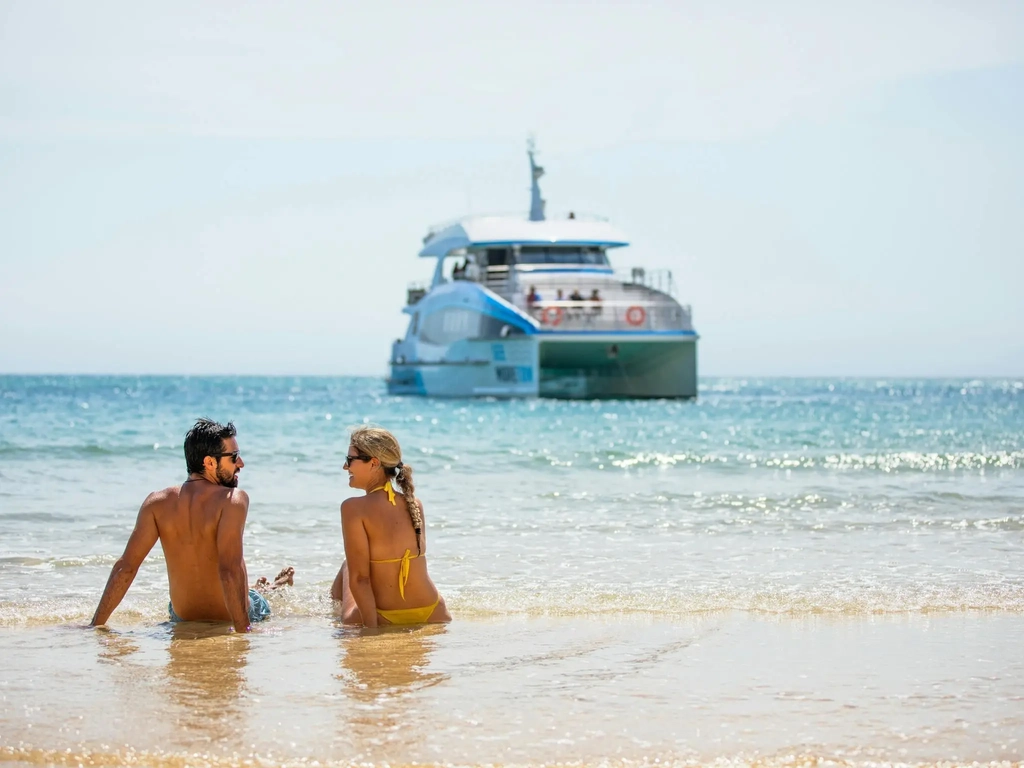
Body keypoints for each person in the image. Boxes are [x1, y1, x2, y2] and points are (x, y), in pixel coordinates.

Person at [89, 418, 293, 633]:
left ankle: (262, 588)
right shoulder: (233, 500)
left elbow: (126, 568)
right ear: (210, 463)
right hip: (233, 615)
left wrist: (95, 625)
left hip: (182, 617)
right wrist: (244, 632)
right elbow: (229, 570)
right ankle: (269, 588)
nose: (240, 463)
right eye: (233, 457)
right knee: (256, 599)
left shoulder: (156, 503)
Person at [331, 426, 451, 627]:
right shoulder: (414, 503)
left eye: (350, 459)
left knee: (348, 567)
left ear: (374, 463)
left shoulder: (353, 508)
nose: (345, 467)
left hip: (384, 615)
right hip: (433, 612)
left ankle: (329, 612)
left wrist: (371, 631)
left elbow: (360, 579)